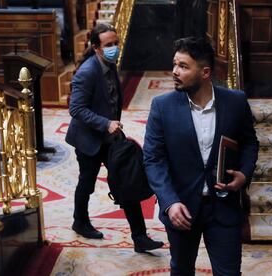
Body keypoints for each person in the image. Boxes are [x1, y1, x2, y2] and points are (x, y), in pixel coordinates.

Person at [143, 37, 259, 275]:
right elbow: (153, 159)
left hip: (224, 207)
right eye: (175, 64)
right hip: (181, 208)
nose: (175, 71)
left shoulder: (235, 101)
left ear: (205, 72)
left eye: (183, 66)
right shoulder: (162, 106)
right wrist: (169, 202)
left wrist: (244, 174)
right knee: (182, 270)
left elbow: (249, 142)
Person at [65, 23, 163, 253]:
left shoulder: (110, 64)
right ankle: (80, 220)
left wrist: (113, 126)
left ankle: (139, 237)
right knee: (86, 183)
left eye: (116, 43)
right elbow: (76, 109)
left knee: (127, 181)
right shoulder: (87, 72)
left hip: (111, 139)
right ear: (96, 48)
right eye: (109, 45)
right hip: (89, 140)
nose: (115, 48)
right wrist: (105, 123)